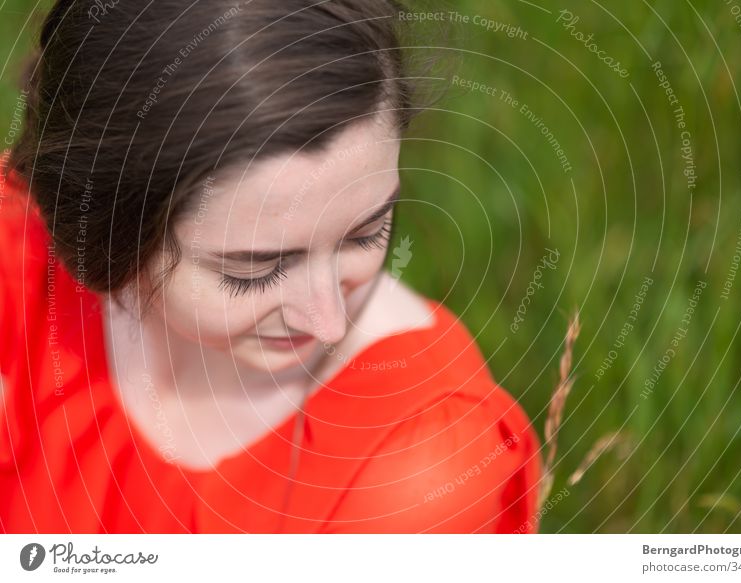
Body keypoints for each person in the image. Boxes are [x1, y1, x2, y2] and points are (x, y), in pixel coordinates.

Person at [0, 0, 541, 533]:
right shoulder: (16, 259)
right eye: (256, 269)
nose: (328, 322)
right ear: (102, 227)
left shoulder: (416, 477)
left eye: (367, 230)